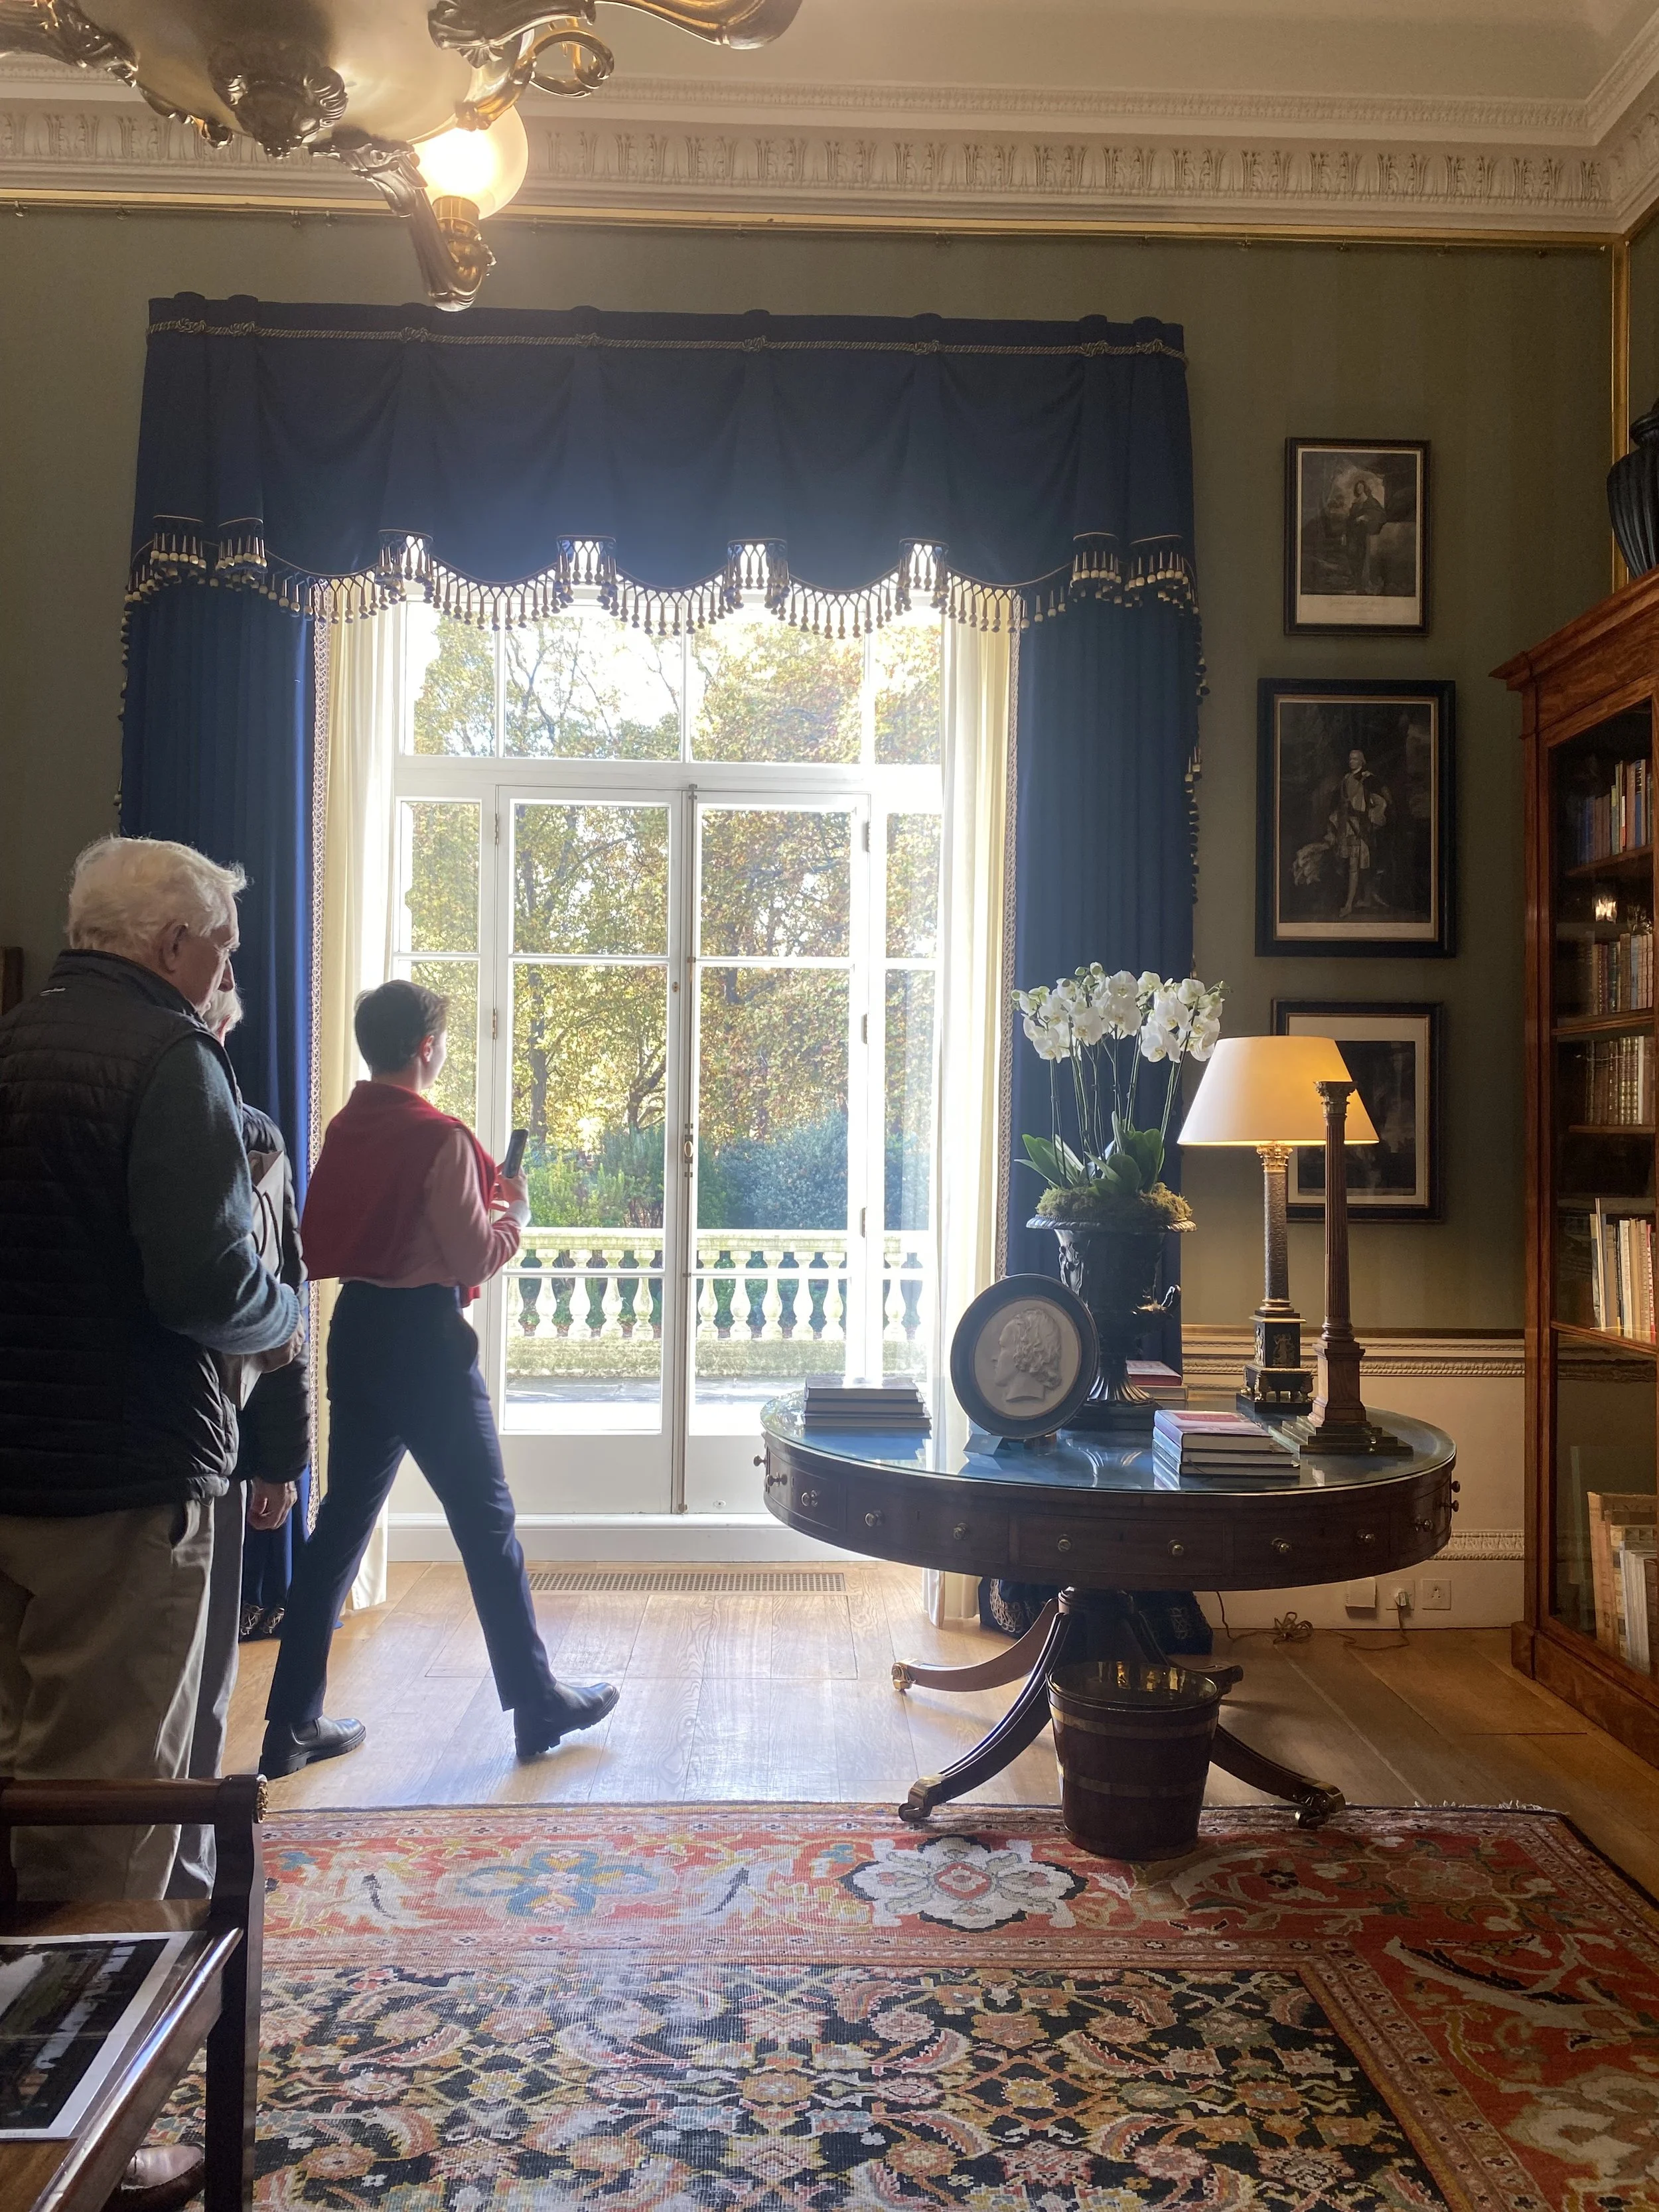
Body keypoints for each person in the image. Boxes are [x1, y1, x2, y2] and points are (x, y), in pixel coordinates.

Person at [0, 837, 301, 2212]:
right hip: (125, 1479)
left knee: (30, 1782)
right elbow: (207, 1281)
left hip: (18, 1476)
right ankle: (81, 2138)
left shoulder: (20, 1043)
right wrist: (287, 1312)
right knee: (123, 1806)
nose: (227, 977)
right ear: (174, 942)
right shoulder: (171, 1062)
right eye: (223, 951)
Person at [261, 980, 618, 1775]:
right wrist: (515, 1214)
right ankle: (536, 1705)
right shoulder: (443, 1138)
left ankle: (288, 1726)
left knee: (339, 1529)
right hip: (425, 1338)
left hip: (356, 1331)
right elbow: (471, 1256)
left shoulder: (346, 1127)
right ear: (427, 1048)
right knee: (486, 1526)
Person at [171, 985, 309, 1901]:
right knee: (177, 1703)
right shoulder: (251, 1139)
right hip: (174, 1443)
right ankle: (161, 1922)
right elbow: (259, 1293)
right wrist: (279, 1461)